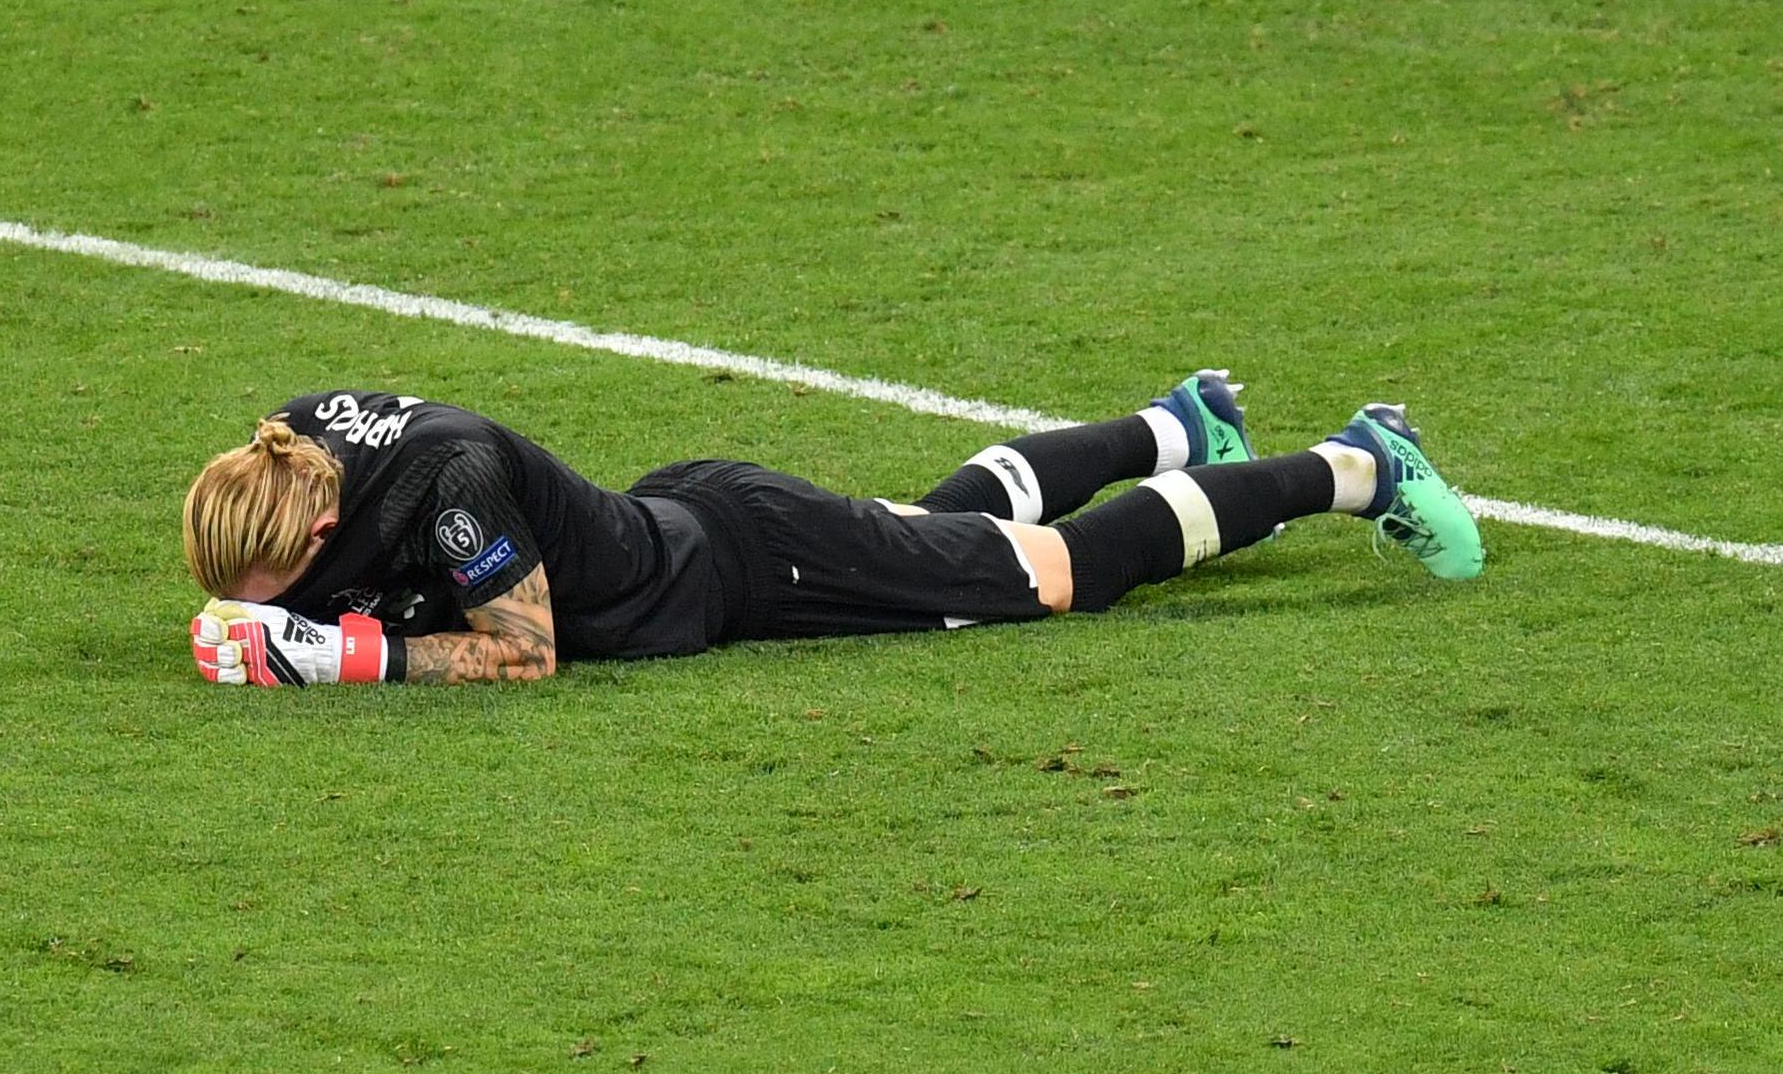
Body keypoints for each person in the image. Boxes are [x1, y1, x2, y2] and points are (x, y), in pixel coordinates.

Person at [182, 372, 1482, 688]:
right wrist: (272, 611)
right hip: (701, 517)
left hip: (741, 565)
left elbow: (522, 649)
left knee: (1057, 576)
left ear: (324, 518)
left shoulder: (449, 489)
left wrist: (349, 656)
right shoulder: (299, 439)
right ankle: (1183, 423)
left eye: (278, 574)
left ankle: (1357, 464)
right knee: (933, 528)